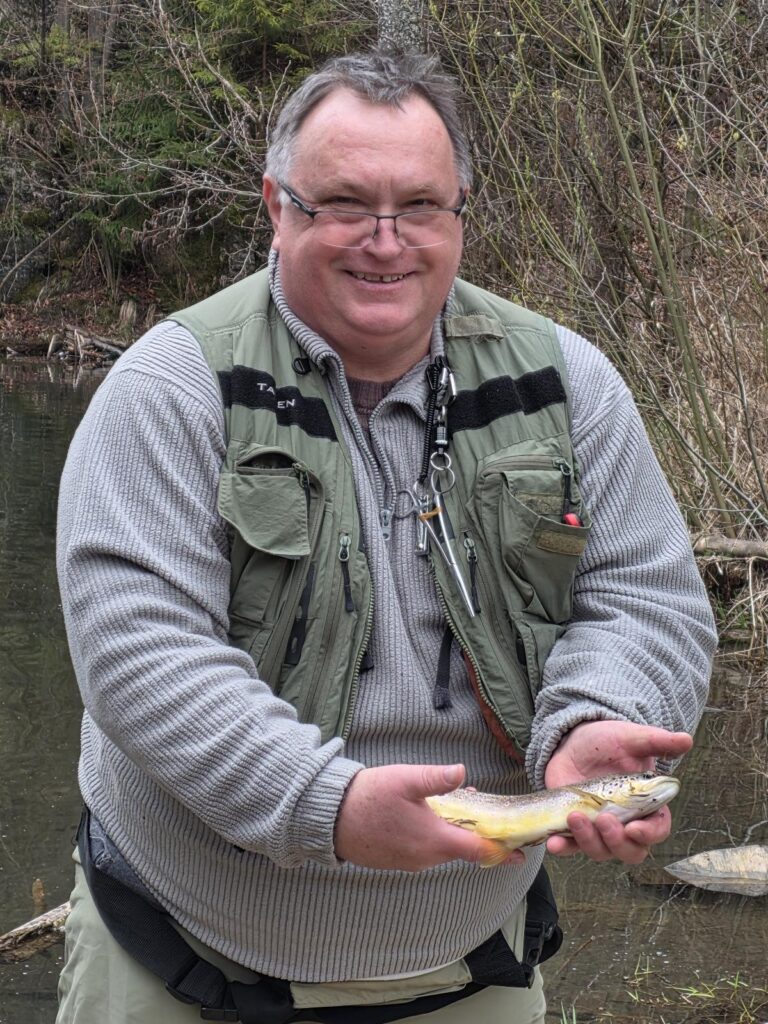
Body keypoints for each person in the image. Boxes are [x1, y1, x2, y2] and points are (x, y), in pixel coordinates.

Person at [55, 50, 716, 1024]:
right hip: (183, 960)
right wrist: (328, 806)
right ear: (278, 206)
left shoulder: (568, 383)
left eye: (419, 206)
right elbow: (140, 654)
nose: (385, 240)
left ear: (460, 215)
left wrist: (594, 722)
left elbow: (643, 595)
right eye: (345, 204)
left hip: (470, 967)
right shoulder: (171, 390)